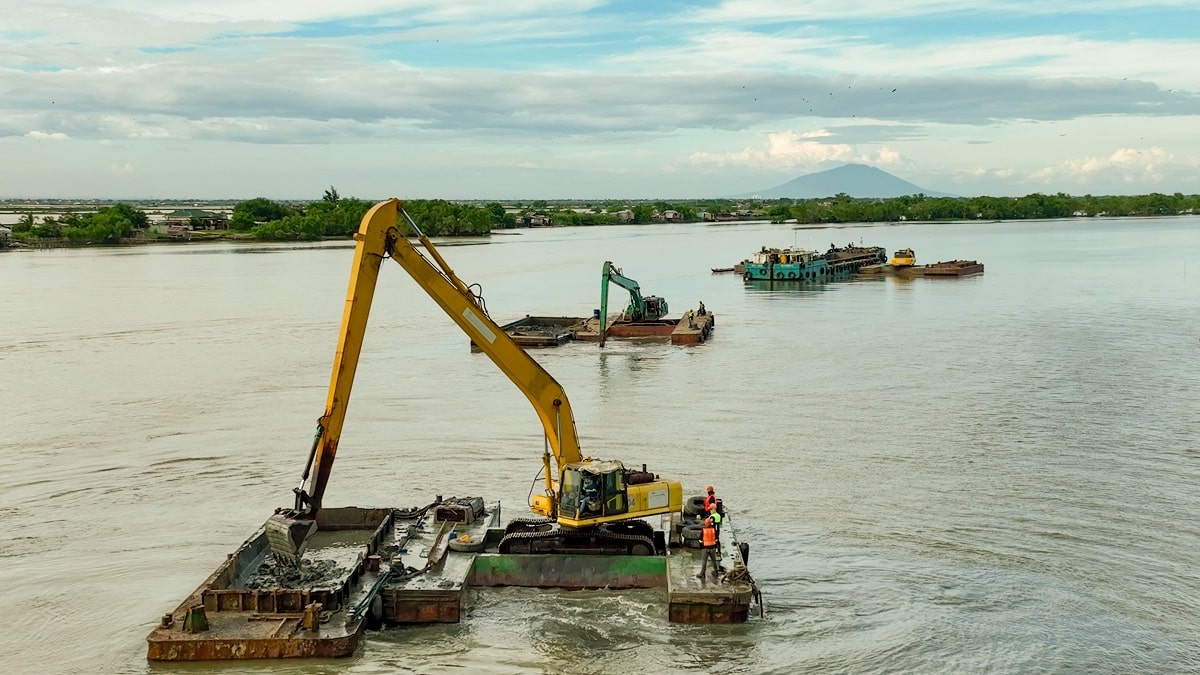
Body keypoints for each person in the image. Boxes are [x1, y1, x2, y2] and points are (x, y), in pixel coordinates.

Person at [697, 515, 721, 580]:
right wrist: (715, 546)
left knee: (704, 561)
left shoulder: (703, 530)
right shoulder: (714, 530)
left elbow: (700, 540)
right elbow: (716, 539)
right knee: (714, 560)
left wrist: (701, 547)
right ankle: (716, 571)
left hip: (705, 548)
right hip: (713, 548)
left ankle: (702, 573)